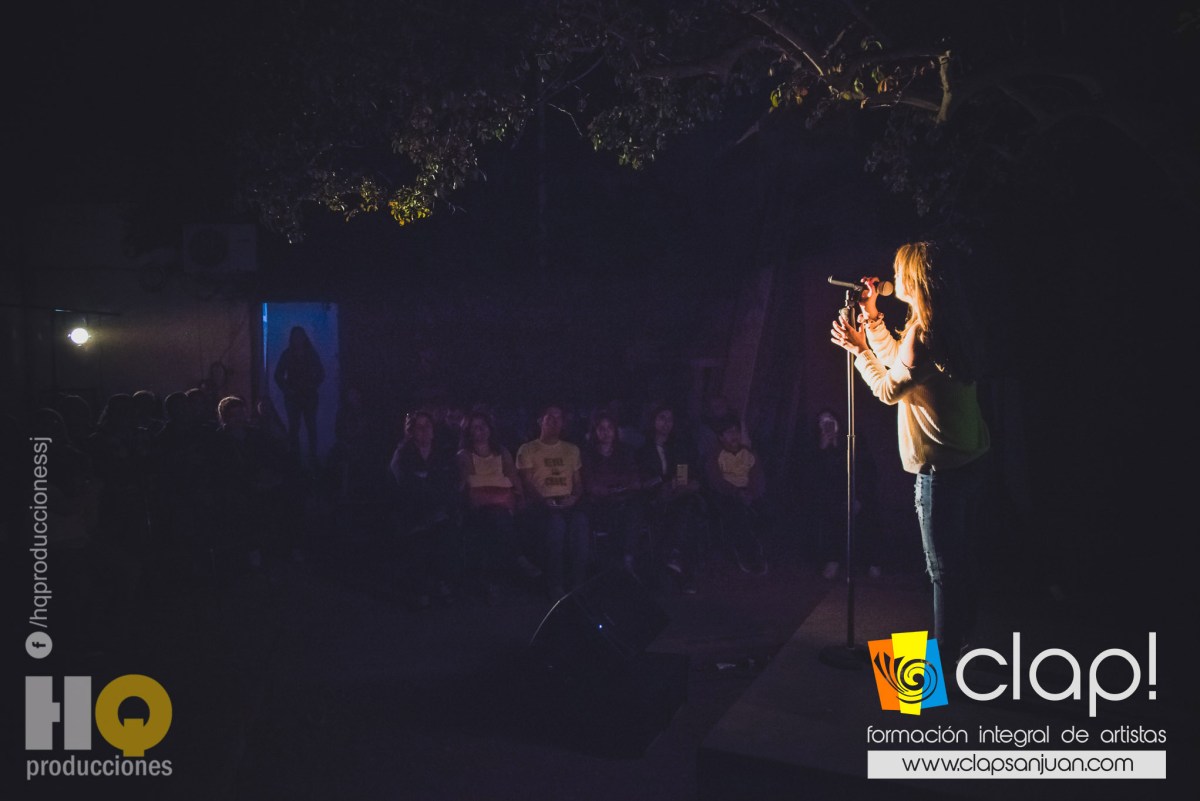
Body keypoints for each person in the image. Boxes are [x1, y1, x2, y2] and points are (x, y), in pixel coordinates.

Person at [830, 240, 991, 661]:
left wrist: (859, 349)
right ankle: (962, 646)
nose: (892, 278)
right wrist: (873, 319)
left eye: (899, 272)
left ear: (916, 279)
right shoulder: (941, 324)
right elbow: (905, 368)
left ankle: (942, 667)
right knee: (960, 562)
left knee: (942, 571)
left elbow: (889, 389)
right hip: (969, 460)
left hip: (942, 471)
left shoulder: (922, 333)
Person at [455, 410, 537, 603]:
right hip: (479, 510)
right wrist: (499, 486)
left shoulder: (502, 452)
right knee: (495, 518)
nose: (481, 431)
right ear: (469, 432)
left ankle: (496, 581)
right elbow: (471, 485)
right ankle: (517, 557)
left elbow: (513, 479)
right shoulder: (464, 455)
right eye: (476, 427)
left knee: (501, 518)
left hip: (505, 506)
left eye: (483, 426)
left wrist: (517, 495)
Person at [516, 403, 590, 600]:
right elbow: (527, 482)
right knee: (556, 525)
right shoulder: (528, 449)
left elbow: (578, 483)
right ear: (541, 421)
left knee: (581, 523)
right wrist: (543, 501)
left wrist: (574, 497)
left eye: (559, 418)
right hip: (541, 504)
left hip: (567, 501)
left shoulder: (572, 450)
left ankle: (578, 584)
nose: (555, 422)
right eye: (550, 417)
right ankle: (555, 585)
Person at [389, 410, 461, 609]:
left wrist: (443, 506)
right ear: (411, 431)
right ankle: (420, 589)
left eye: (427, 426)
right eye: (419, 427)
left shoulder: (442, 454)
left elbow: (450, 483)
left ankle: (443, 583)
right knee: (420, 541)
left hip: (440, 512)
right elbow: (405, 487)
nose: (424, 430)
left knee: (447, 538)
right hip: (413, 514)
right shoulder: (402, 455)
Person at [636, 403, 706, 593]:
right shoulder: (644, 449)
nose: (666, 423)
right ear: (653, 420)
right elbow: (644, 480)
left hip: (678, 496)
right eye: (662, 418)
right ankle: (678, 565)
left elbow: (686, 473)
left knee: (690, 508)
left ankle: (678, 563)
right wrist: (665, 483)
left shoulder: (678, 447)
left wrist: (686, 484)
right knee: (687, 512)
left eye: (670, 419)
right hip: (654, 497)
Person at [581, 408, 645, 576]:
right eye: (601, 428)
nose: (606, 432)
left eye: (610, 427)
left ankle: (628, 558)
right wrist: (616, 484)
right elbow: (591, 484)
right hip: (600, 504)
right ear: (594, 431)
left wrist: (618, 484)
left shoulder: (625, 451)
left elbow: (635, 480)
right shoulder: (588, 454)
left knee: (634, 508)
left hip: (625, 500)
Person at [703, 413, 769, 576]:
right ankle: (747, 555)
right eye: (729, 432)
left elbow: (758, 477)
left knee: (767, 511)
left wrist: (752, 493)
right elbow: (716, 480)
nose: (734, 435)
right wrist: (736, 492)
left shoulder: (749, 454)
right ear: (721, 437)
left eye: (736, 431)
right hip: (727, 494)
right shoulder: (715, 455)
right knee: (736, 514)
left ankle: (760, 550)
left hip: (749, 493)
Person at [274, 325, 325, 458]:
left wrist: (312, 386)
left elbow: (321, 372)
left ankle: (312, 458)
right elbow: (278, 375)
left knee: (310, 428)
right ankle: (296, 459)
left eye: (300, 336)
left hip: (308, 396)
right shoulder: (288, 354)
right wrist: (287, 390)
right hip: (294, 397)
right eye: (295, 337)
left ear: (304, 338)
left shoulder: (310, 353)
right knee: (294, 428)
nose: (298, 339)